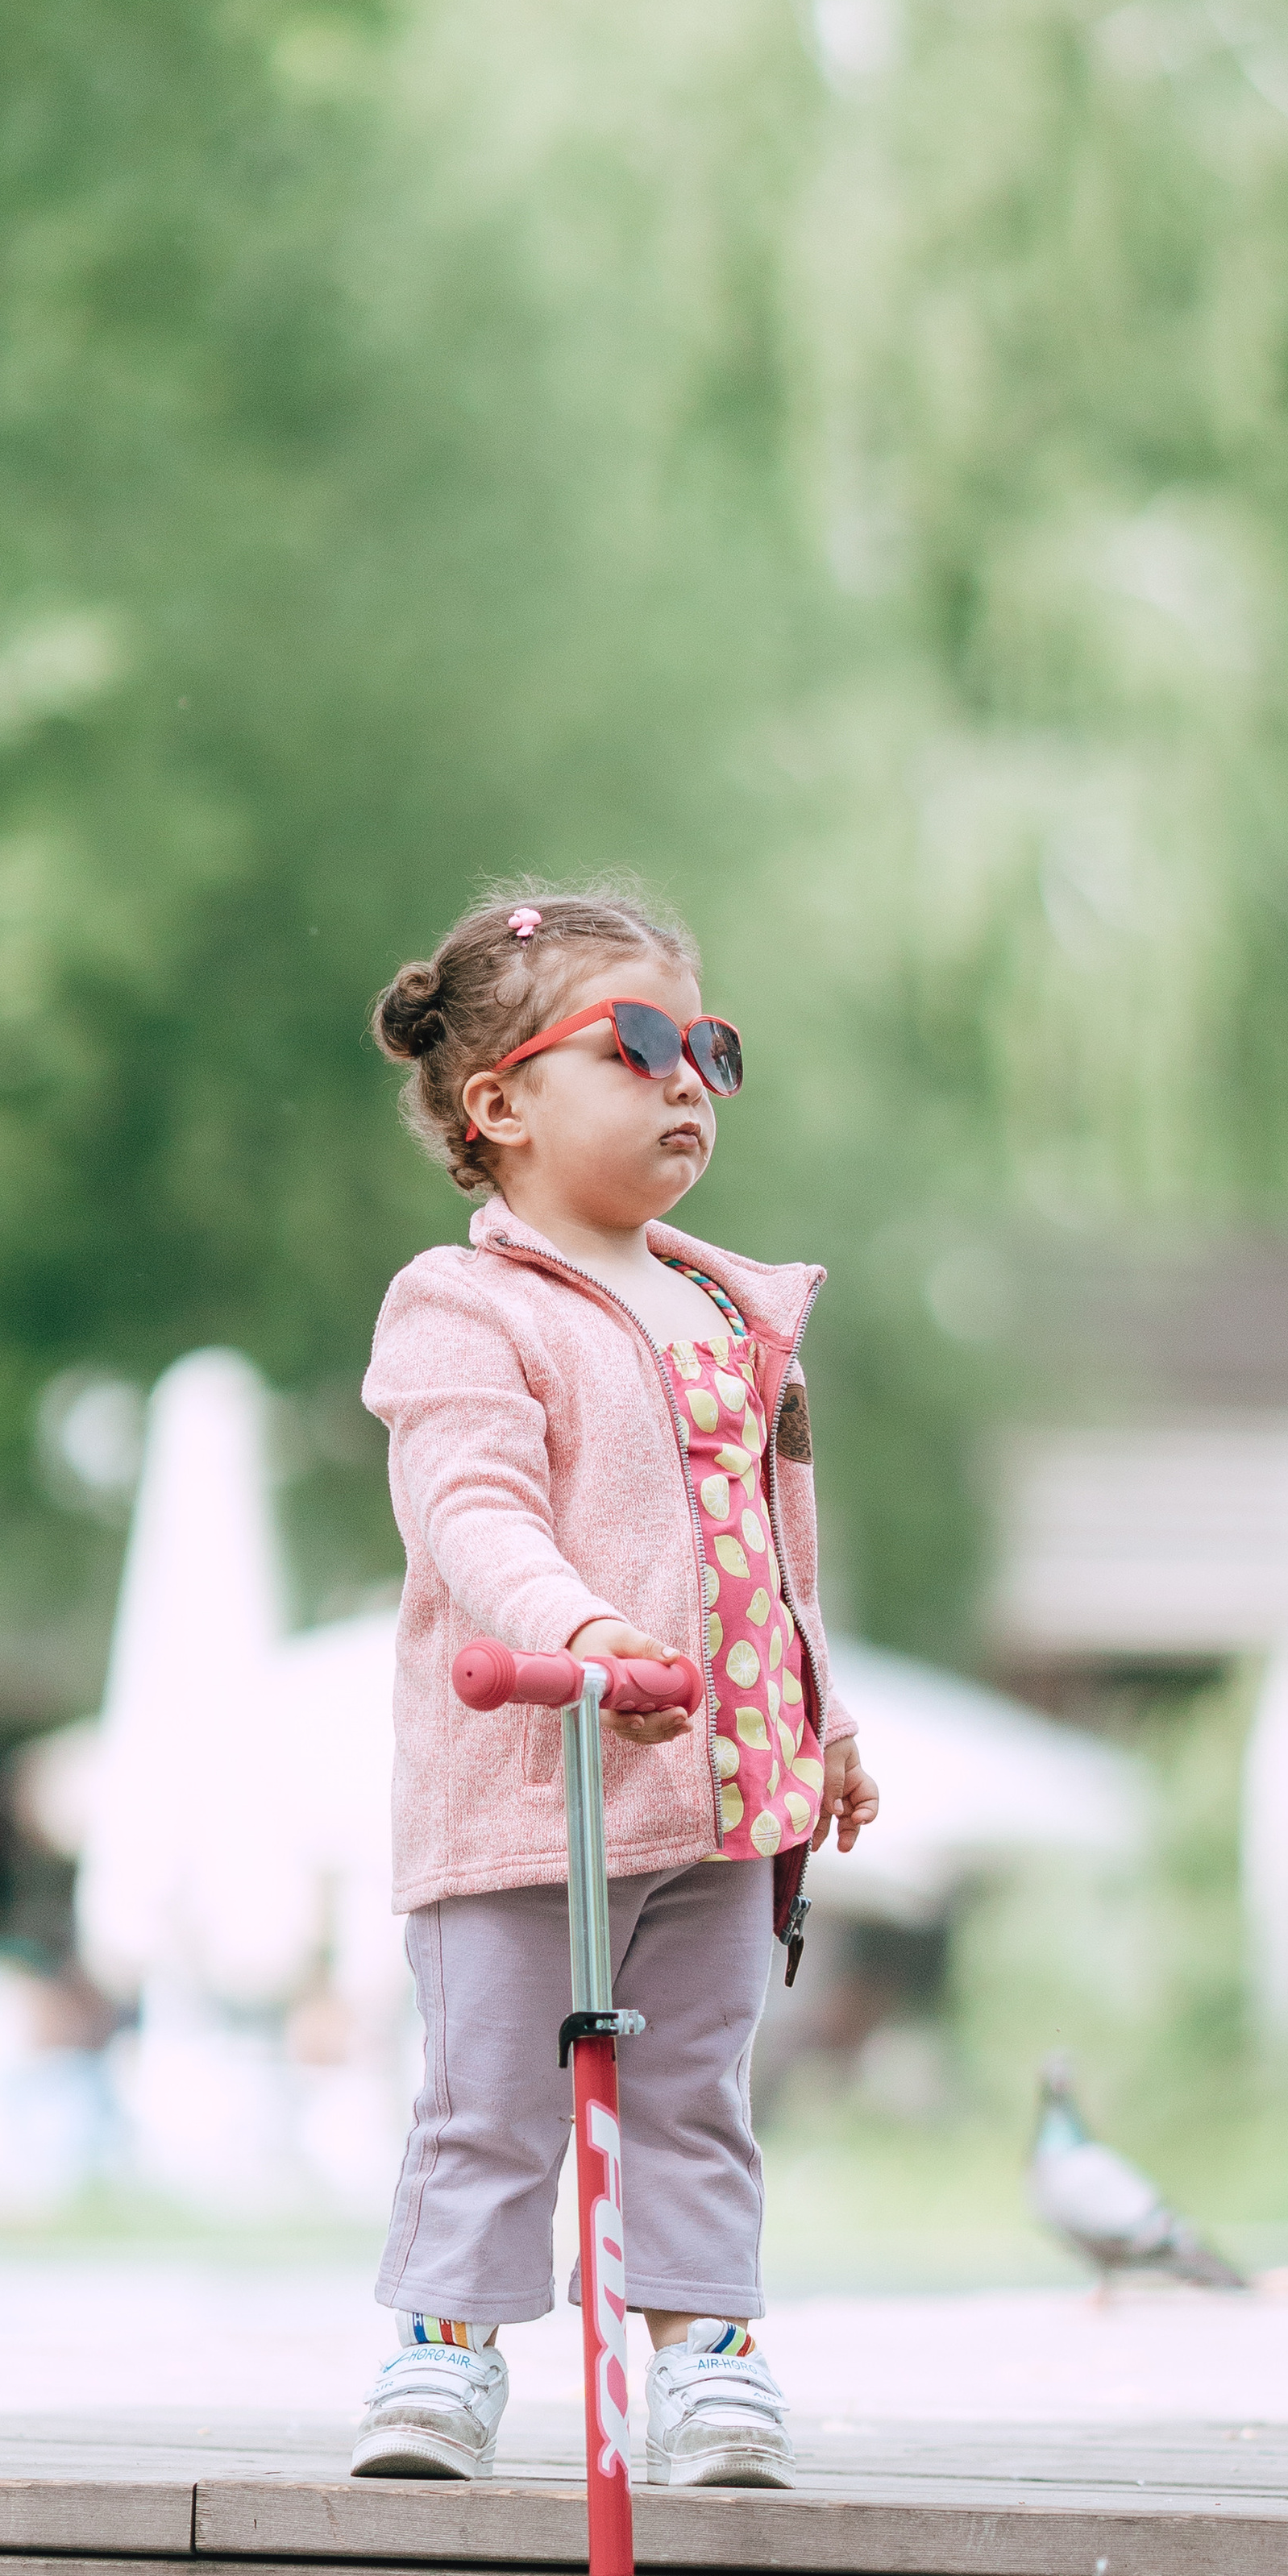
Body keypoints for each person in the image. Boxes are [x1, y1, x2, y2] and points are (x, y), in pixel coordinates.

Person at [351, 885, 879, 2487]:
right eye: (636, 1044)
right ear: (497, 1102)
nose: (686, 1079)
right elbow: (473, 1507)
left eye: (705, 1047)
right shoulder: (466, 1307)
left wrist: (823, 1719)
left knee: (693, 2089)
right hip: (537, 1786)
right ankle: (444, 2351)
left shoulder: (729, 1311)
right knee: (491, 2092)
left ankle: (701, 2350)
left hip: (724, 1793)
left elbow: (771, 1560)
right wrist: (575, 1636)